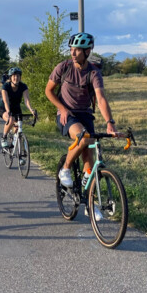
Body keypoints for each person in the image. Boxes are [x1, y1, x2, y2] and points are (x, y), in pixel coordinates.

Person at [44, 32, 118, 187]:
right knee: (84, 138)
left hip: (85, 114)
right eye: (71, 48)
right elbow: (48, 91)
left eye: (77, 49)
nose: (73, 52)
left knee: (89, 154)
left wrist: (109, 122)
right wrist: (62, 109)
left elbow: (101, 98)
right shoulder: (64, 67)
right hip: (67, 114)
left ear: (87, 51)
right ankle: (65, 169)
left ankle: (89, 197)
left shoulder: (93, 72)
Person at [0, 67, 37, 148]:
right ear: (10, 77)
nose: (16, 78)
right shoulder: (6, 86)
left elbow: (26, 100)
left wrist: (31, 110)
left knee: (18, 126)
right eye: (14, 76)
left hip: (16, 107)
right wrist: (8, 112)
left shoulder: (23, 86)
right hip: (4, 107)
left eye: (18, 76)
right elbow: (6, 101)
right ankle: (4, 137)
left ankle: (15, 142)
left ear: (20, 77)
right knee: (11, 120)